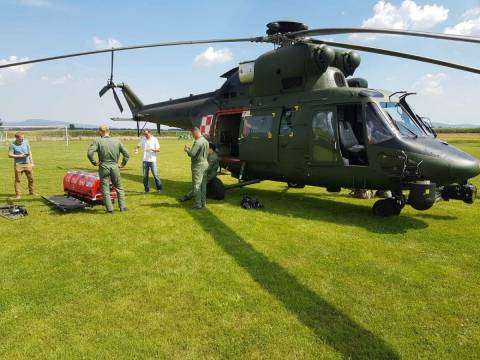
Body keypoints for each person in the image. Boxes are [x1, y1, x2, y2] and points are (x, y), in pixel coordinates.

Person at [87, 124, 129, 213]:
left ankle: (110, 209)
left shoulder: (98, 141)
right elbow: (127, 154)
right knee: (119, 187)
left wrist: (94, 162)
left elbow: (90, 153)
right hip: (115, 166)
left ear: (101, 131)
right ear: (108, 131)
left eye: (99, 131)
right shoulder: (117, 141)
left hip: (103, 167)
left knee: (105, 188)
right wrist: (122, 164)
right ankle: (123, 207)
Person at [180, 127, 209, 209]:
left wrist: (187, 150)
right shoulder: (205, 141)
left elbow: (192, 154)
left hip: (198, 165)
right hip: (205, 164)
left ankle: (198, 204)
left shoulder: (197, 142)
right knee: (203, 185)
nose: (192, 136)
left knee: (197, 185)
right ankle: (203, 203)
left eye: (192, 134)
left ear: (195, 132)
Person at [134, 129, 162, 193]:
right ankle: (146, 190)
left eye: (146, 134)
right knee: (145, 176)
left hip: (152, 160)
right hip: (145, 160)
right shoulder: (143, 139)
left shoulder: (155, 139)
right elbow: (138, 146)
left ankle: (159, 189)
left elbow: (158, 150)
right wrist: (136, 149)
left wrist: (151, 149)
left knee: (156, 175)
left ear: (150, 133)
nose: (145, 135)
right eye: (144, 134)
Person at [8, 132, 34, 199]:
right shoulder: (12, 145)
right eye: (21, 138)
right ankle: (18, 195)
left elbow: (30, 152)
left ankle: (31, 192)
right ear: (16, 138)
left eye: (23, 137)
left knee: (31, 179)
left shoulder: (26, 142)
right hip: (18, 165)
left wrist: (31, 161)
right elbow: (10, 155)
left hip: (27, 164)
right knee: (18, 180)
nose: (22, 139)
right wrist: (19, 156)